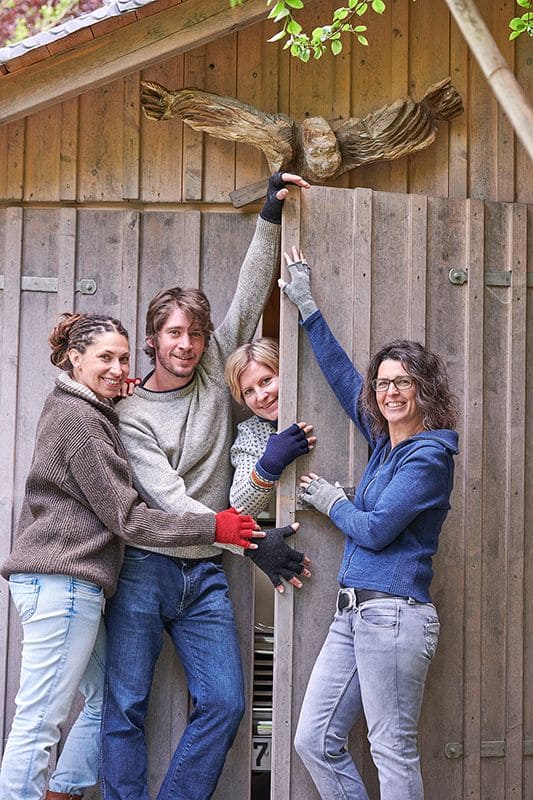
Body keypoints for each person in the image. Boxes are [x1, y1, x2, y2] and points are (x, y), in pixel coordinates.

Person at [100, 172, 310, 800]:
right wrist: (249, 539)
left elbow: (250, 288)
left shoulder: (218, 368)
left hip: (205, 575)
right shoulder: (132, 413)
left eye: (195, 334)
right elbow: (167, 499)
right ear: (152, 340)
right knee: (126, 707)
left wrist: (270, 214)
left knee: (224, 703)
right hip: (146, 568)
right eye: (174, 334)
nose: (187, 345)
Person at [0, 313, 263, 800]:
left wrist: (114, 394)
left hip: (73, 583)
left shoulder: (87, 408)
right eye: (105, 358)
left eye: (123, 359)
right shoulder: (81, 422)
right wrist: (213, 526)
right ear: (74, 358)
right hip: (63, 581)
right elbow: (129, 518)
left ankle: (63, 792)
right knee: (39, 719)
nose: (119, 369)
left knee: (105, 700)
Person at [279, 248, 459, 800]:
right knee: (314, 740)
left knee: (391, 749)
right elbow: (342, 378)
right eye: (382, 383)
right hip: (353, 614)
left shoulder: (429, 458)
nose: (390, 392)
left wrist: (333, 501)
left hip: (395, 616)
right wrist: (307, 305)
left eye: (403, 382)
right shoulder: (384, 444)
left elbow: (378, 530)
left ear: (425, 389)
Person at [225, 336, 315, 590]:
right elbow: (240, 506)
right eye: (248, 391)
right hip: (302, 541)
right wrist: (269, 465)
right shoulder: (252, 433)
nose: (261, 396)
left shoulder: (316, 404)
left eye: (266, 380)